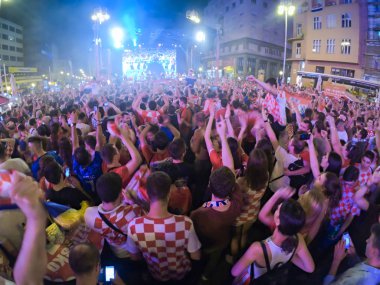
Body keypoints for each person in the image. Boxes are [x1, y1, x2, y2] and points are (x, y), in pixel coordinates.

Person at [126, 171, 202, 284]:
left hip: (155, 275)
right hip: (181, 275)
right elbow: (196, 256)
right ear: (169, 193)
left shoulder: (133, 226)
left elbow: (134, 257)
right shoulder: (186, 224)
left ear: (147, 193)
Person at [232, 192, 315, 281]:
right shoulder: (299, 240)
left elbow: (234, 272)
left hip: (249, 278)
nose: (276, 208)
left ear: (278, 221)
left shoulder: (257, 248)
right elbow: (310, 268)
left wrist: (277, 195)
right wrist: (290, 256)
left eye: (278, 209)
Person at [84, 172, 143, 284]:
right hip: (132, 254)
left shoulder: (89, 214)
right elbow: (147, 218)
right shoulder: (133, 212)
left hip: (113, 251)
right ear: (121, 192)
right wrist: (133, 201)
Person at [191, 166, 242, 282]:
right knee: (214, 259)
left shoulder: (198, 214)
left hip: (204, 244)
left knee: (201, 260)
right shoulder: (237, 203)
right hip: (222, 241)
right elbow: (236, 188)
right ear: (232, 188)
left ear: (210, 185)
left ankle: (199, 275)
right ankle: (206, 275)